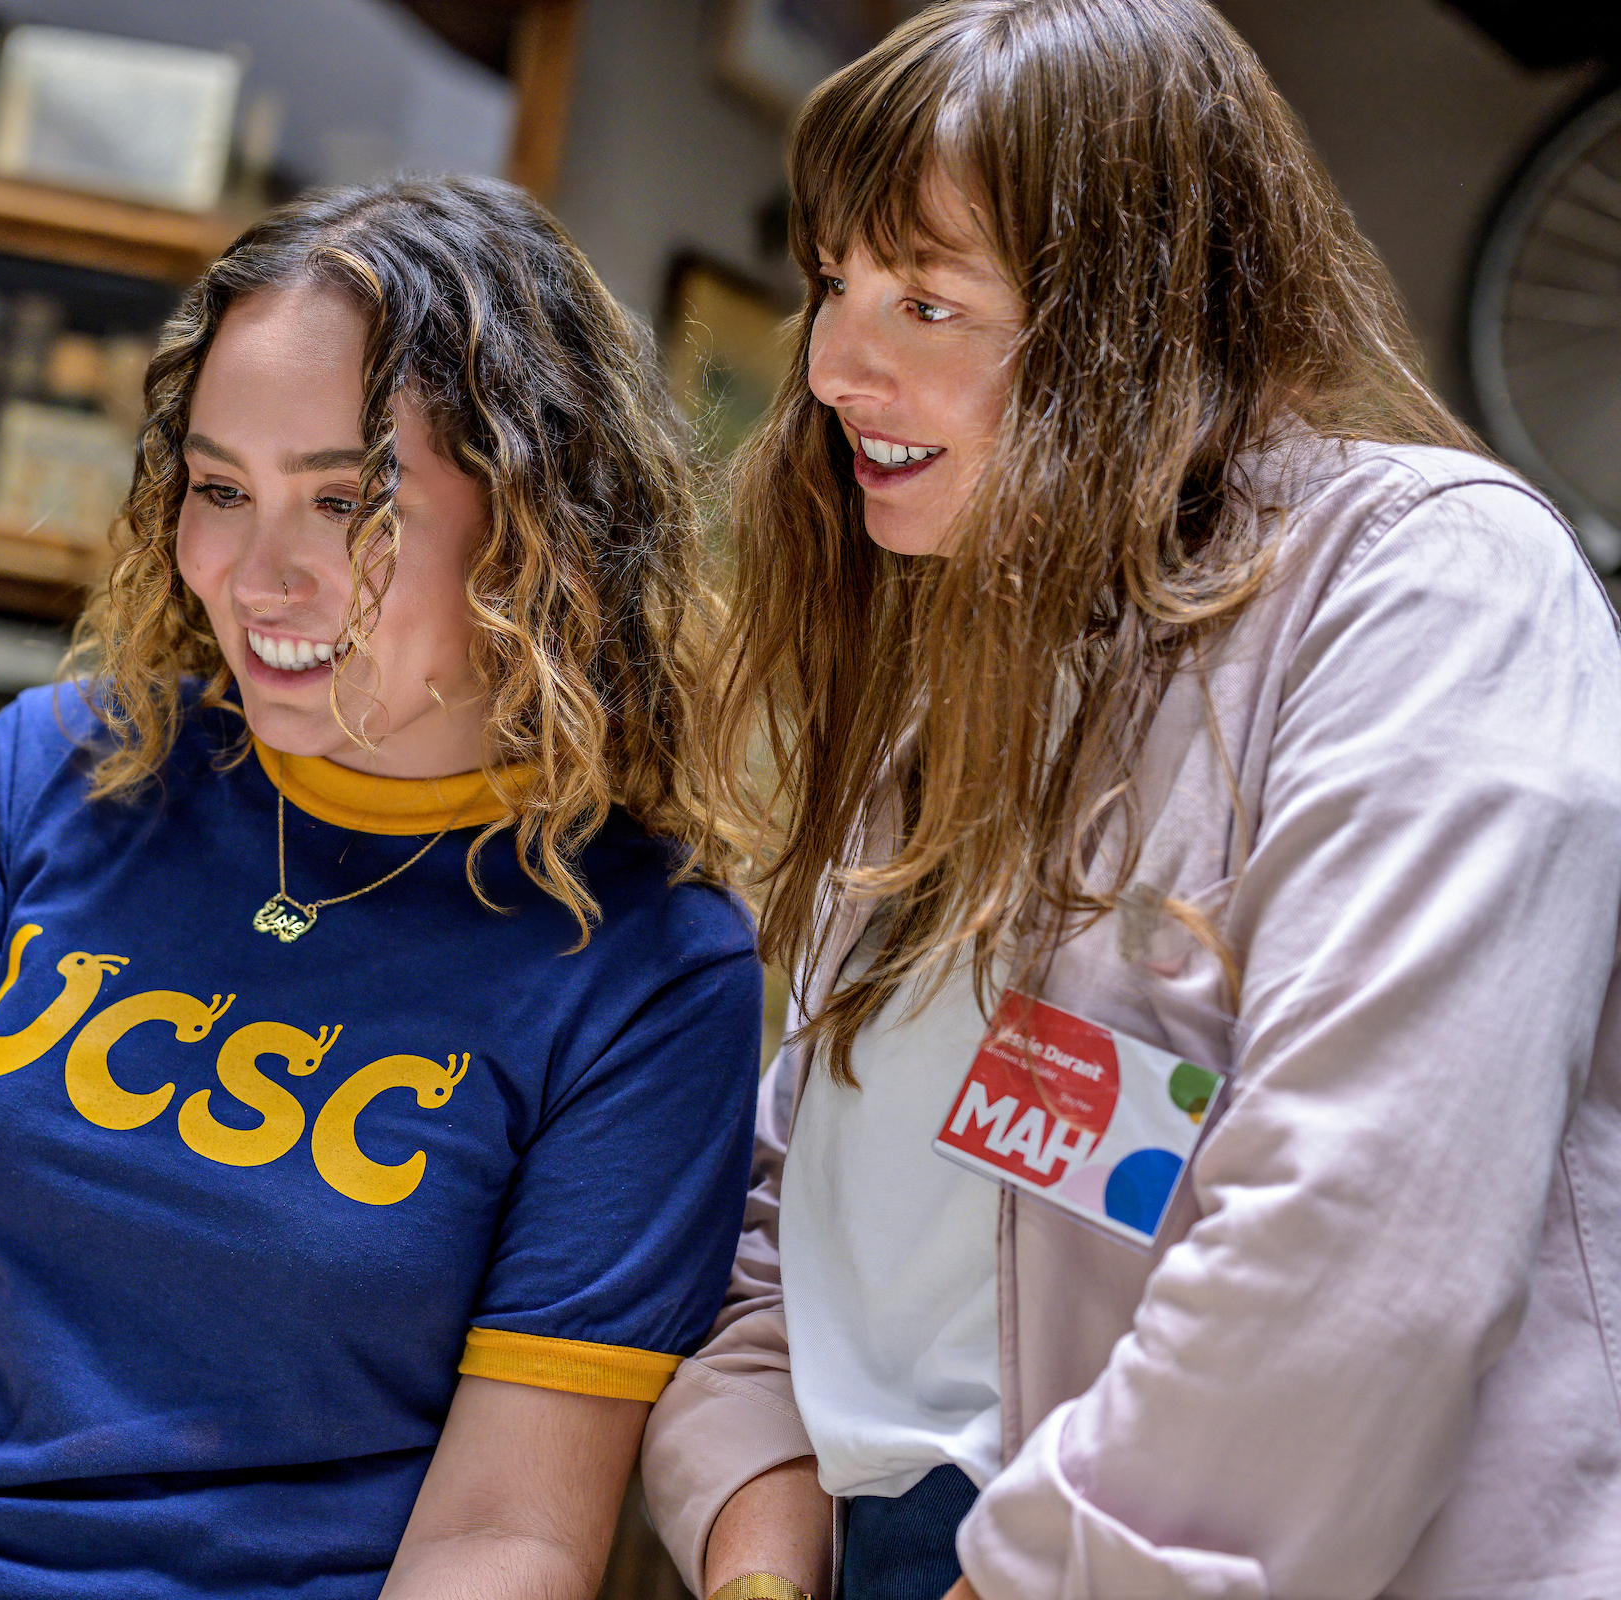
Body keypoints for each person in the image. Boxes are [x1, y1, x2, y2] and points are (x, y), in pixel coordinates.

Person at [0, 175, 763, 1599]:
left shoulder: (651, 964)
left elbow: (503, 1537)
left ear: (534, 528)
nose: (257, 574)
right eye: (219, 489)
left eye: (347, 501)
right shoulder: (56, 767)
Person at [639, 3, 1621, 1598]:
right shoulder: (968, 663)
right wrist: (752, 1533)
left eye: (928, 302)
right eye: (833, 284)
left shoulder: (1435, 586)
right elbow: (794, 1202)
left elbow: (1363, 1238)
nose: (829, 367)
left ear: (1140, 318)